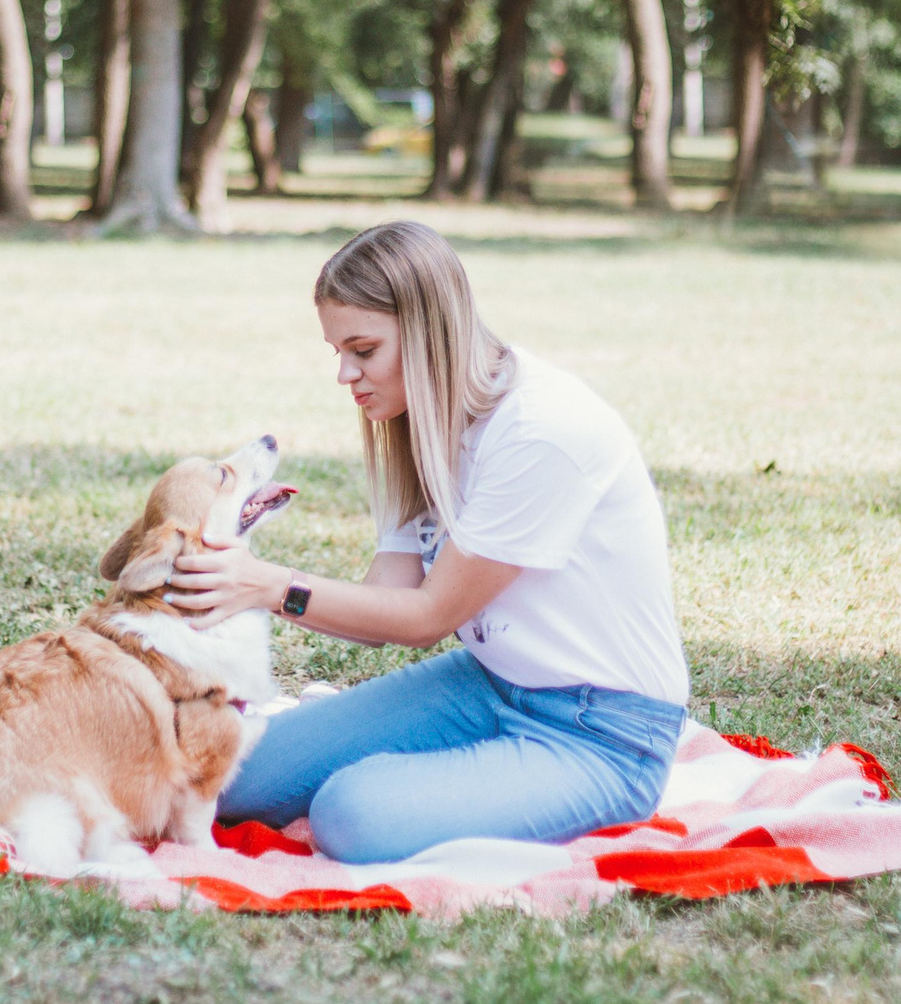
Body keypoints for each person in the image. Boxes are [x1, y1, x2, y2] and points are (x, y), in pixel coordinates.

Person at [168, 220, 689, 863]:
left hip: (603, 732)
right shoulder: (416, 425)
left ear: (428, 332)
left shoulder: (541, 431)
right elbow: (383, 607)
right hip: (487, 683)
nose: (344, 375)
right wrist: (251, 591)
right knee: (229, 775)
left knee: (352, 815)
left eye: (363, 350)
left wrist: (268, 586)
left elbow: (427, 618)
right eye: (337, 352)